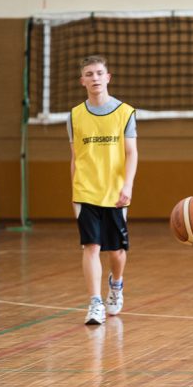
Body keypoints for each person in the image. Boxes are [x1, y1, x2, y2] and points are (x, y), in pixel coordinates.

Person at [68, 55, 138, 325]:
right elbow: (75, 157)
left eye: (99, 73)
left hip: (115, 192)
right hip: (86, 191)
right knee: (91, 246)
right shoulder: (75, 115)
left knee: (116, 252)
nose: (95, 78)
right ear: (82, 81)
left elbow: (131, 153)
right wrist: (74, 191)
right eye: (89, 74)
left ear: (108, 77)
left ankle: (116, 284)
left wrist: (127, 185)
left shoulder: (125, 112)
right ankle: (95, 302)